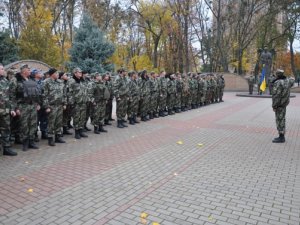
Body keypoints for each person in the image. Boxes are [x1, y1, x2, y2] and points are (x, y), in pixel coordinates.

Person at [43, 68, 66, 146]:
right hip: (51, 106)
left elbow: (63, 93)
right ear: (52, 74)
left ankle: (58, 136)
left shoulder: (60, 82)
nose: (58, 74)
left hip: (59, 105)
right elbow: (44, 96)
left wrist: (64, 103)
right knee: (51, 122)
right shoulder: (46, 82)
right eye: (56, 73)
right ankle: (50, 138)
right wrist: (47, 106)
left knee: (59, 122)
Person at [271, 69, 295, 143]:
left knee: (279, 119)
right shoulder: (287, 81)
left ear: (277, 75)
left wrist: (274, 106)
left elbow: (276, 95)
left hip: (279, 104)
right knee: (282, 119)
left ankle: (281, 137)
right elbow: (292, 79)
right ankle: (281, 135)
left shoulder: (278, 82)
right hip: (284, 104)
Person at [0, 63, 18, 156]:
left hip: (5, 111)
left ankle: (6, 148)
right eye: (2, 69)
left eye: (3, 69)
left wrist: (12, 109)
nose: (3, 70)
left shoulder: (5, 81)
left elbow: (10, 97)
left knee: (6, 129)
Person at [68, 67, 88, 139]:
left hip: (83, 102)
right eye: (79, 72)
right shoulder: (72, 81)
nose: (80, 74)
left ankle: (81, 131)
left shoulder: (82, 80)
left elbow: (85, 91)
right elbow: (69, 93)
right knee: (77, 118)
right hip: (76, 103)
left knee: (82, 117)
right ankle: (76, 132)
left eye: (81, 72)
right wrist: (72, 103)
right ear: (75, 73)